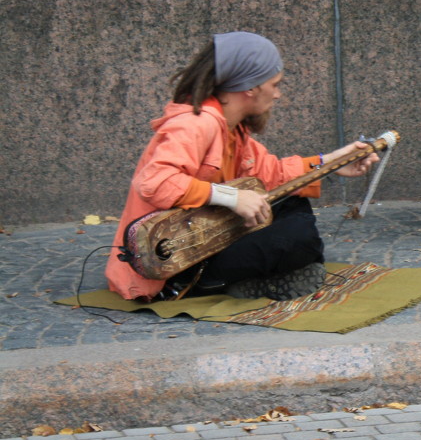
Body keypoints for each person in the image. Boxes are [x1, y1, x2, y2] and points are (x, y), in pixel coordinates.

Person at [105, 32, 379, 302]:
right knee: (298, 236)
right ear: (250, 87)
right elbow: (155, 181)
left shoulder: (231, 128)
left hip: (206, 237)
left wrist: (332, 161)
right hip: (172, 259)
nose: (278, 94)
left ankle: (242, 278)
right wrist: (232, 198)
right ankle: (203, 284)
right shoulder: (197, 123)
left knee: (293, 206)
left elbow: (272, 175)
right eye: (275, 84)